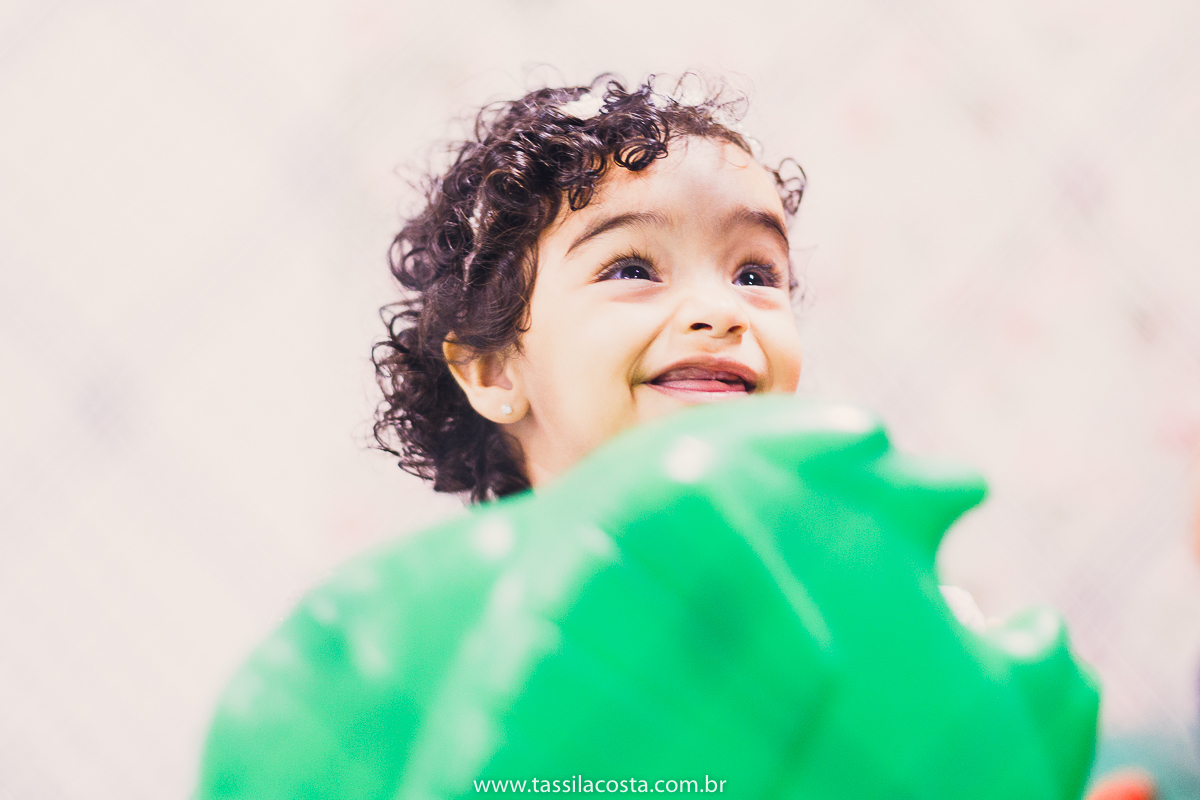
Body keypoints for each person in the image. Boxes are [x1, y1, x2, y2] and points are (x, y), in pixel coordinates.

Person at [372, 74, 804, 504]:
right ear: (491, 370)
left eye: (754, 277)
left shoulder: (844, 560)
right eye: (633, 271)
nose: (723, 311)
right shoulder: (479, 575)